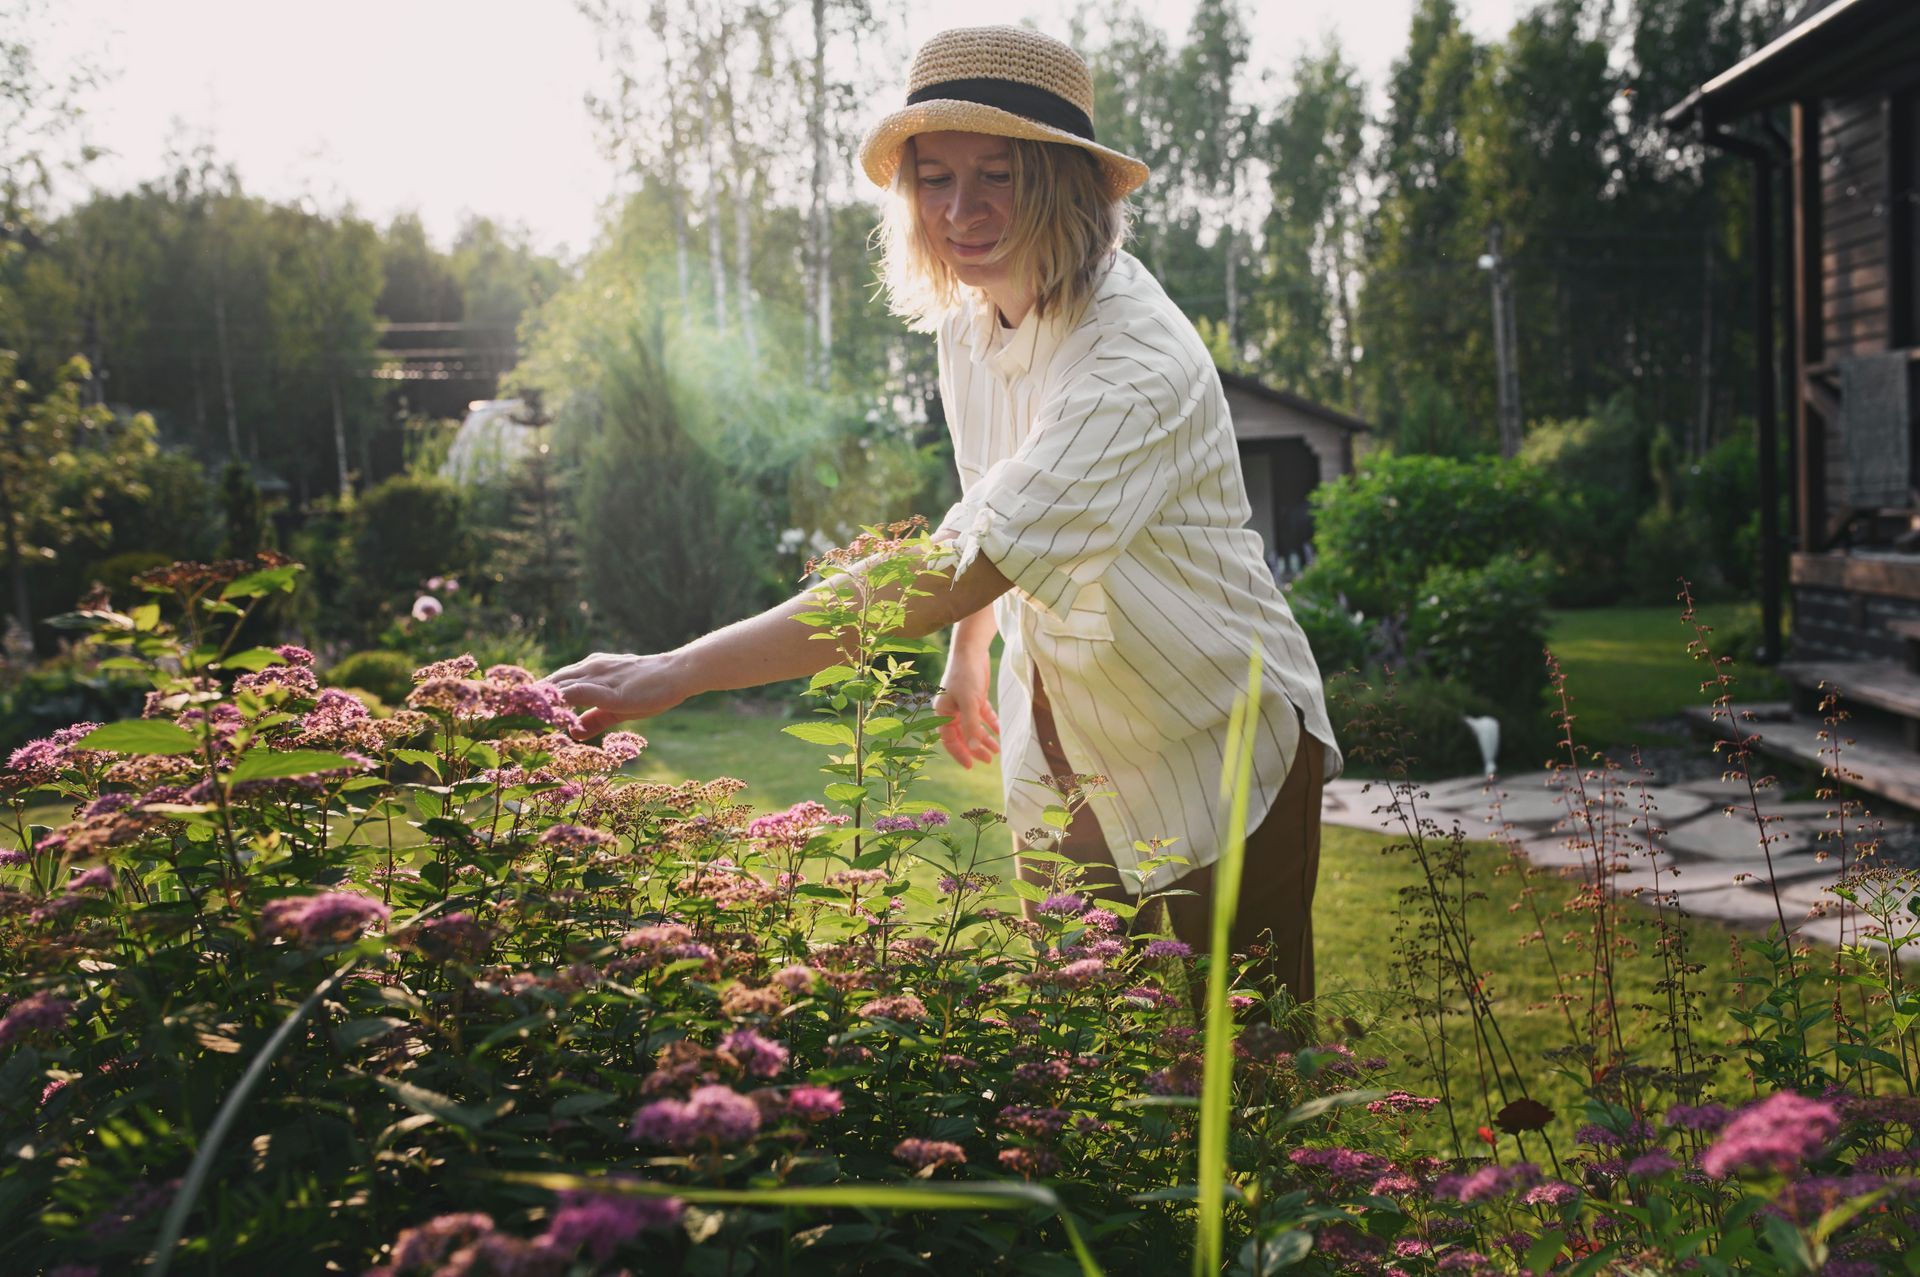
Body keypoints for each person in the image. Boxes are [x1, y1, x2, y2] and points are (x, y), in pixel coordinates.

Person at [547, 25, 1341, 1004]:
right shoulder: (970, 322)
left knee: (1245, 1080)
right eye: (933, 179)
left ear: (1064, 183)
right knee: (1087, 1068)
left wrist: (672, 670)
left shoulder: (1135, 365)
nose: (961, 212)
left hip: (1213, 743)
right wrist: (971, 660)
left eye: (997, 176)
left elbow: (964, 563)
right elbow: (986, 507)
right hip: (1063, 749)